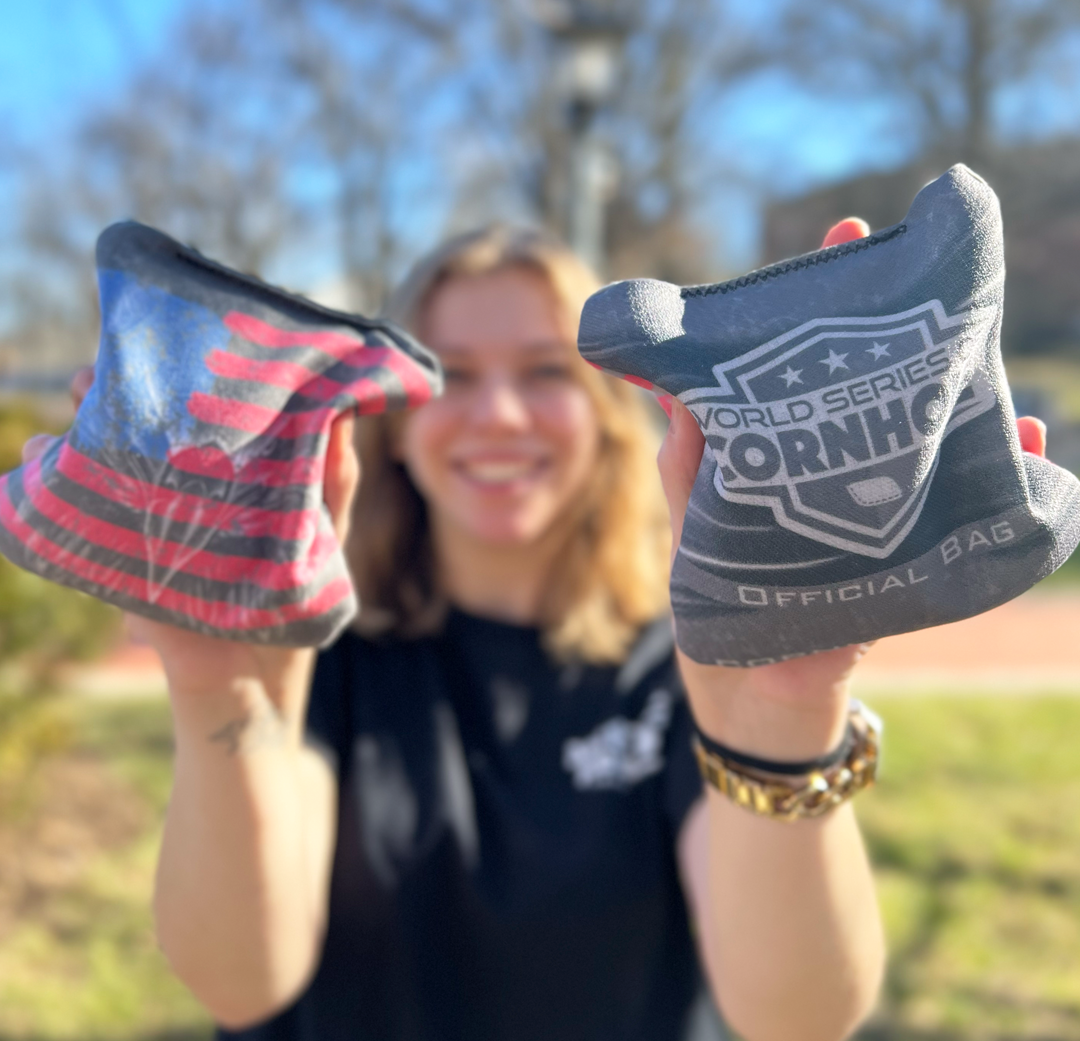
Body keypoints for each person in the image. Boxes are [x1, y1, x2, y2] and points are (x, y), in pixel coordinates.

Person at [36, 220, 1046, 1041]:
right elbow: (241, 980)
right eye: (456, 375)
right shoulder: (316, 652)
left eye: (546, 372)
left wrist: (785, 712)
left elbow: (797, 1015)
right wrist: (220, 687)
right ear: (394, 417)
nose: (502, 415)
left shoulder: (692, 662)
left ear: (613, 414)